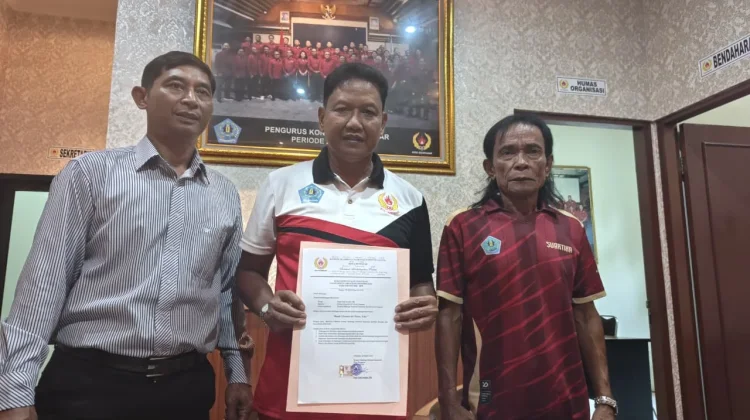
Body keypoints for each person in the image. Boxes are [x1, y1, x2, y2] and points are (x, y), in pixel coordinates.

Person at [0, 51, 252, 420]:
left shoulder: (224, 193)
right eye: (176, 86)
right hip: (88, 386)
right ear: (142, 97)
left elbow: (227, 290)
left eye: (203, 92)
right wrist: (14, 392)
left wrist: (237, 373)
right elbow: (43, 284)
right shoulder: (90, 174)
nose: (190, 99)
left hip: (185, 389)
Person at [236, 62, 438, 420]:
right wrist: (267, 309)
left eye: (368, 113)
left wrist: (425, 307)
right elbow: (248, 272)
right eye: (342, 109)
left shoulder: (410, 200)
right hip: (287, 393)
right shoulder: (281, 184)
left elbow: (422, 284)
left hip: (375, 393)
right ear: (321, 117)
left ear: (383, 123)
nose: (354, 123)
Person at [435, 114, 617, 420]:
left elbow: (586, 316)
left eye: (533, 151)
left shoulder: (571, 228)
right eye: (508, 152)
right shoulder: (462, 226)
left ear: (548, 165)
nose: (521, 162)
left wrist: (605, 399)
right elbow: (448, 317)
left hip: (567, 402)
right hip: (491, 402)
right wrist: (448, 402)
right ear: (490, 167)